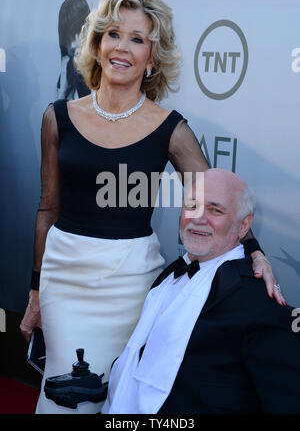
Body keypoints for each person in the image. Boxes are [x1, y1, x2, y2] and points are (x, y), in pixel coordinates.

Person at [20, 0, 284, 414]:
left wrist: (255, 253)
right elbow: (47, 210)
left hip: (128, 284)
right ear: (97, 43)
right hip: (63, 280)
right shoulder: (58, 117)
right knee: (63, 402)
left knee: (120, 396)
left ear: (151, 57)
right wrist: (34, 293)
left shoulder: (170, 128)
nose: (123, 47)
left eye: (138, 39)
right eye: (113, 34)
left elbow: (218, 201)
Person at [102, 169, 300, 414]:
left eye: (215, 210)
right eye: (192, 205)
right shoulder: (168, 275)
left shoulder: (256, 300)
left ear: (244, 225)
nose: (198, 218)